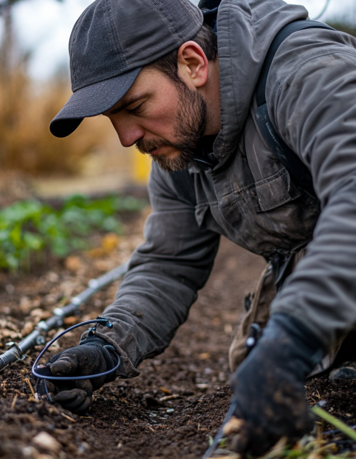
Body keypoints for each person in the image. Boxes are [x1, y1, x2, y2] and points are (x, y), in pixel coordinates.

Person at [40, 0, 356, 455]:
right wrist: (107, 346)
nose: (127, 137)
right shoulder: (178, 155)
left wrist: (297, 334)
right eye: (114, 120)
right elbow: (169, 263)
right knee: (254, 365)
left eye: (135, 106)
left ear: (192, 63)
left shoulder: (308, 75)